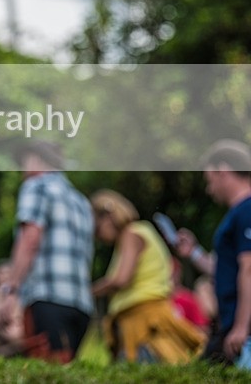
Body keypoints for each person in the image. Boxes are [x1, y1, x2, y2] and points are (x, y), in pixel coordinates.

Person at [0, 140, 93, 362]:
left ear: (36, 160)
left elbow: (30, 239)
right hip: (81, 305)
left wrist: (11, 290)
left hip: (48, 297)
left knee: (46, 372)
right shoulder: (81, 202)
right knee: (66, 372)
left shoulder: (37, 186)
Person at [90, 190, 205, 363]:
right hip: (143, 320)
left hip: (144, 323)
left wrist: (88, 291)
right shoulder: (139, 233)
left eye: (97, 229)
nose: (97, 236)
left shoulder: (132, 233)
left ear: (109, 216)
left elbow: (121, 280)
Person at [174, 139, 251, 369]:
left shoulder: (247, 210)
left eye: (210, 180)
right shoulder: (238, 214)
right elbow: (228, 269)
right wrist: (194, 253)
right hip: (230, 325)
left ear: (223, 170)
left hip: (242, 329)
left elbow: (249, 269)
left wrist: (241, 327)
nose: (209, 189)